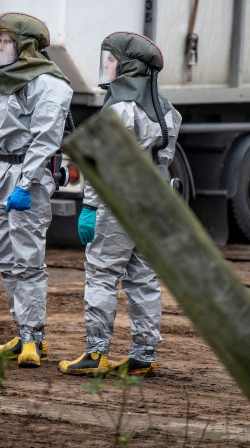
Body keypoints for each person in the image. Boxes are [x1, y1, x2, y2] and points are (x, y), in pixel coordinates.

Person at [58, 32, 181, 377]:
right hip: (153, 204)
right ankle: (143, 354)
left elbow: (102, 167)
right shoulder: (168, 111)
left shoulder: (120, 110)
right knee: (143, 279)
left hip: (117, 205)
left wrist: (90, 207)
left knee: (101, 275)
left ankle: (96, 353)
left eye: (110, 61)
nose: (106, 67)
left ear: (128, 67)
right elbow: (163, 160)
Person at [0, 12, 73, 368]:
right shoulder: (1, 80)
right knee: (6, 260)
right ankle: (22, 331)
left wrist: (25, 185)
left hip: (28, 177)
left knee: (28, 261)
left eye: (7, 41)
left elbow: (46, 140)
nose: (1, 48)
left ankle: (34, 339)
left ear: (25, 46)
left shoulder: (51, 85)